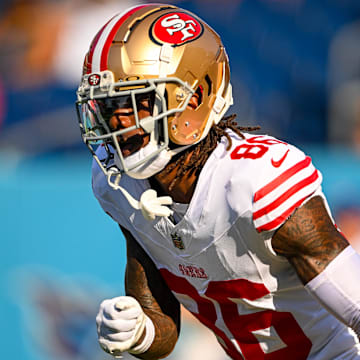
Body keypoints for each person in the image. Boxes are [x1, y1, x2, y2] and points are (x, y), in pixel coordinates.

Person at [75, 3, 360, 359]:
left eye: (135, 103)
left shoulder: (253, 180)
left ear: (191, 100)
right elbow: (162, 329)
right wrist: (139, 332)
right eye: (107, 106)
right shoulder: (119, 186)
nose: (118, 122)